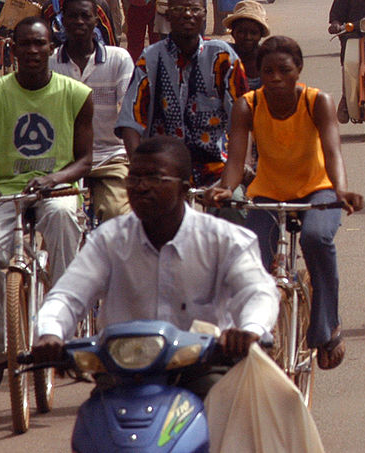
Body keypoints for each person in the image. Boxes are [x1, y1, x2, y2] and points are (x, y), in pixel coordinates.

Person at [31, 136, 278, 391]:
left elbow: (258, 292)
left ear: (184, 189)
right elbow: (68, 295)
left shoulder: (226, 240)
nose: (141, 187)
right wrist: (51, 333)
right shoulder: (108, 240)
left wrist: (249, 329)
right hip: (124, 374)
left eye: (154, 179)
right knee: (93, 425)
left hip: (203, 370)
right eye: (134, 179)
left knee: (225, 416)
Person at [206, 37, 364, 371]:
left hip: (319, 190)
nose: (275, 77)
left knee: (316, 239)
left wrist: (341, 190)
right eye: (267, 71)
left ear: (298, 70)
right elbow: (235, 158)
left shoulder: (316, 101)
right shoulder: (247, 105)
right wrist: (226, 188)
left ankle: (327, 328)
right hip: (269, 192)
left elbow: (333, 152)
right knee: (254, 254)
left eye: (283, 70)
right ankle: (261, 327)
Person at [0, 16, 92, 393]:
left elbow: (85, 160)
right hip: (5, 192)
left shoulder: (76, 93)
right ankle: (1, 348)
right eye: (25, 45)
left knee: (66, 224)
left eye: (40, 44)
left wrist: (54, 179)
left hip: (57, 191)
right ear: (12, 50)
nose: (33, 51)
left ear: (52, 47)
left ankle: (60, 330)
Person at [118, 0, 248, 187]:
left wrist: (234, 175)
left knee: (235, 208)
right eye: (179, 9)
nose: (188, 14)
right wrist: (140, 169)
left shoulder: (222, 57)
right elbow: (131, 121)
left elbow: (242, 121)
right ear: (167, 15)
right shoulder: (151, 58)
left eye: (195, 9)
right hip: (163, 170)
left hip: (217, 169)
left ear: (204, 15)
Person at [49, 0, 134, 222]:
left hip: (111, 157)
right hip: (65, 160)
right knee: (59, 218)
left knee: (118, 216)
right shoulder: (51, 63)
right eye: (72, 16)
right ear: (62, 20)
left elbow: (128, 115)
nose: (79, 21)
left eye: (85, 16)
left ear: (96, 20)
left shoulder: (119, 59)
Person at [224, 0, 270, 90]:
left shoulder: (268, 59)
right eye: (241, 32)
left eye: (253, 33)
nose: (247, 37)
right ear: (233, 33)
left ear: (261, 35)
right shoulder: (224, 56)